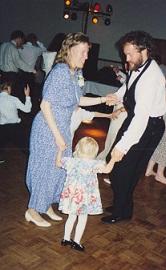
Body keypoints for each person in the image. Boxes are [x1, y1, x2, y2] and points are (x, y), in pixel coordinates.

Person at [25, 32, 116, 228]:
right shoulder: (60, 72)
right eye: (83, 52)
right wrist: (58, 136)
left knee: (58, 170)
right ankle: (32, 210)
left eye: (87, 52)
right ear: (70, 50)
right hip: (48, 128)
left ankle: (46, 205)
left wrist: (102, 99)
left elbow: (78, 101)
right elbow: (45, 106)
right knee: (44, 169)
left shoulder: (75, 73)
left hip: (62, 127)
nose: (86, 56)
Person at [101, 31, 166, 224]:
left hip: (150, 127)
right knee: (116, 164)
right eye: (125, 54)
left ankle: (123, 211)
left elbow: (141, 118)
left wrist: (122, 147)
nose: (126, 58)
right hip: (139, 121)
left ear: (144, 50)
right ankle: (122, 204)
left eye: (130, 54)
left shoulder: (152, 76)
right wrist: (118, 95)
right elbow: (130, 85)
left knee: (125, 169)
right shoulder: (137, 66)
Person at [56, 137, 114, 252]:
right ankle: (76, 242)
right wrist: (113, 159)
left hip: (73, 197)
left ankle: (66, 239)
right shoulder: (95, 164)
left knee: (71, 217)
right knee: (82, 219)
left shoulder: (71, 161)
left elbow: (58, 163)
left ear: (78, 148)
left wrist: (60, 150)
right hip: (84, 199)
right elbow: (107, 170)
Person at [0, 30, 36, 101]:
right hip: (11, 76)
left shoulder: (3, 45)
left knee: (3, 95)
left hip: (3, 75)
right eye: (22, 41)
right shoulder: (12, 48)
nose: (22, 43)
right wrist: (32, 70)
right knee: (12, 96)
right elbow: (19, 63)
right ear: (19, 39)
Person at [0, 81, 32, 156]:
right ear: (8, 88)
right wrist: (27, 96)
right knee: (24, 145)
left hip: (2, 128)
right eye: (10, 88)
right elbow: (27, 110)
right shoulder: (13, 99)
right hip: (15, 127)